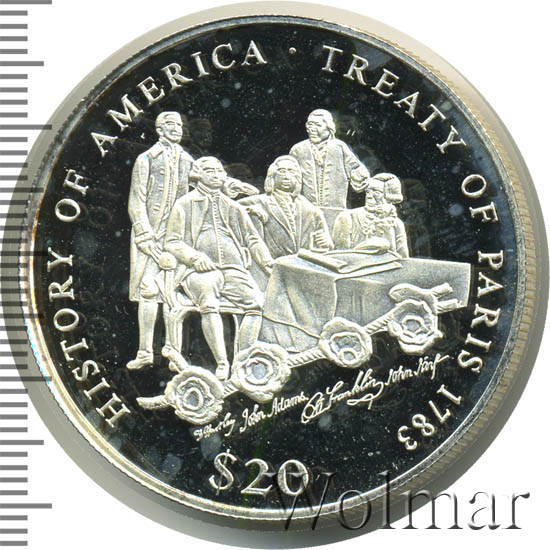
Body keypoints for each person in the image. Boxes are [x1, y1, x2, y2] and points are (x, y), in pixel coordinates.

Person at [164, 157, 273, 380]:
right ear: (197, 175)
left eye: (219, 171)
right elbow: (172, 242)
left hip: (233, 269)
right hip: (197, 272)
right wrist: (194, 257)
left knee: (256, 304)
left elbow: (253, 239)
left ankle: (241, 359)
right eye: (210, 171)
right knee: (209, 303)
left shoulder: (233, 207)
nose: (216, 174)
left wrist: (268, 264)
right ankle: (222, 363)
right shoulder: (184, 204)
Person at [127, 111, 193, 370]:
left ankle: (173, 352)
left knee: (172, 293)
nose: (176, 128)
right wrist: (143, 233)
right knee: (149, 290)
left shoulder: (187, 159)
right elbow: (137, 199)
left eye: (179, 125)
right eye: (170, 124)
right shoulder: (146, 159)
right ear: (159, 130)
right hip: (150, 235)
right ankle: (145, 352)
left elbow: (210, 180)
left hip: (176, 236)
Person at [289, 109, 370, 229]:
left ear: (329, 127)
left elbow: (356, 170)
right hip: (305, 214)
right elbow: (288, 176)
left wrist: (360, 176)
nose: (312, 129)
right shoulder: (298, 150)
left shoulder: (339, 147)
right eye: (310, 124)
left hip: (336, 213)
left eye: (317, 125)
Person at [240, 156, 332, 259]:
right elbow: (231, 209)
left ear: (297, 177)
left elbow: (326, 240)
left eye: (291, 172)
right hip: (272, 263)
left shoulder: (310, 209)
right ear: (272, 176)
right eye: (282, 171)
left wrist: (326, 242)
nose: (286, 176)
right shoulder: (259, 202)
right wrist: (248, 210)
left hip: (304, 262)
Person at [332, 174, 409, 257]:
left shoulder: (396, 223)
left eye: (376, 192)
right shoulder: (348, 217)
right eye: (368, 191)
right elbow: (341, 256)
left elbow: (403, 258)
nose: (369, 196)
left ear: (389, 198)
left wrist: (387, 228)